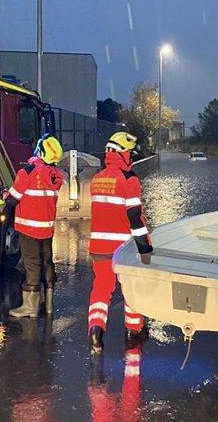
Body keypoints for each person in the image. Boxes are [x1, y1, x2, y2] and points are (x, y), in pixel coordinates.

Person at [87, 131, 153, 354]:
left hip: (98, 247)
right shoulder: (129, 179)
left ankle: (96, 331)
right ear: (123, 154)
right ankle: (133, 331)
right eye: (130, 154)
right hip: (123, 248)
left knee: (102, 288)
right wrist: (144, 247)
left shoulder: (97, 179)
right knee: (132, 288)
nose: (131, 158)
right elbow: (135, 216)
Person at [6, 133, 64, 318]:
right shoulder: (57, 176)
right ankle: (48, 304)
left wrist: (5, 194)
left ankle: (30, 307)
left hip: (28, 228)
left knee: (31, 264)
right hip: (46, 229)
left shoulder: (27, 172)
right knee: (47, 262)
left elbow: (13, 201)